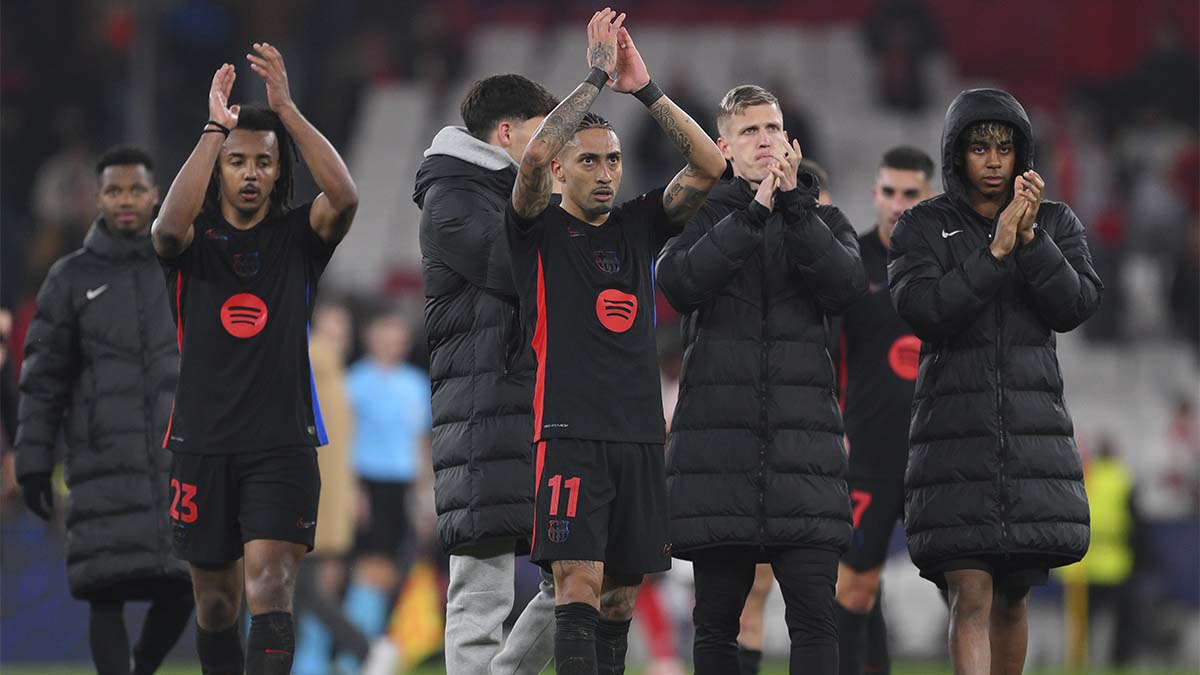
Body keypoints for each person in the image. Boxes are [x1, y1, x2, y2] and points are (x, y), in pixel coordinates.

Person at [506, 10, 726, 673]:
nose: (605, 172)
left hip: (639, 436)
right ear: (560, 172)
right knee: (576, 584)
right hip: (570, 433)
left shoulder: (637, 226)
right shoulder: (537, 230)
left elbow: (711, 164)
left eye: (613, 159)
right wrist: (597, 78)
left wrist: (646, 90)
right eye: (589, 160)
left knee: (621, 598)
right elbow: (532, 156)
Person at [151, 43, 358, 675]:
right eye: (236, 161)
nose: (249, 173)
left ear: (277, 172)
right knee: (216, 604)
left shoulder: (299, 237)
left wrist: (287, 112)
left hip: (281, 444)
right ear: (219, 167)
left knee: (270, 585)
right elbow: (165, 229)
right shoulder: (194, 242)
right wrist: (214, 129)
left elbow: (344, 197)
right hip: (203, 441)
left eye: (262, 162)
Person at [887, 87, 1102, 675]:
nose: (992, 161)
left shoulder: (1055, 222)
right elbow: (925, 310)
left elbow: (1076, 306)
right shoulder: (922, 225)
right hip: (954, 438)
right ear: (957, 153)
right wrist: (996, 250)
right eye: (979, 147)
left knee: (1012, 597)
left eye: (1004, 148)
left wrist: (1030, 240)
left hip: (1030, 442)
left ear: (1021, 154)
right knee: (971, 591)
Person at [656, 84, 867, 674]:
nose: (765, 140)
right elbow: (678, 285)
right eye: (749, 130)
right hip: (719, 457)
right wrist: (753, 215)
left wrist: (793, 207)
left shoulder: (823, 218)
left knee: (815, 621)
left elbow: (848, 288)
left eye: (772, 127)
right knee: (717, 623)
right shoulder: (700, 214)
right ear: (724, 147)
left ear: (789, 139)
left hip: (804, 457)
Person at [14, 146, 194, 675]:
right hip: (99, 461)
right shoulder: (68, 279)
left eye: (136, 189)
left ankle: (142, 668)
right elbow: (42, 379)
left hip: (174, 459)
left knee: (185, 586)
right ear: (98, 199)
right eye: (114, 191)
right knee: (104, 591)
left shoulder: (181, 270)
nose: (125, 200)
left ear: (155, 195)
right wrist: (33, 461)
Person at [414, 72, 560, 675]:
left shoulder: (494, 193)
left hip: (536, 410)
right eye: (542, 133)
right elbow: (515, 268)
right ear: (506, 133)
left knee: (583, 574)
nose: (551, 148)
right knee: (481, 596)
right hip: (481, 416)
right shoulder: (451, 198)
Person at [833, 146, 936, 675]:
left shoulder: (947, 264)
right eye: (889, 192)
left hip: (939, 457)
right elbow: (825, 353)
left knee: (968, 588)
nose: (898, 204)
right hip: (868, 457)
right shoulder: (849, 263)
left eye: (910, 194)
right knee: (854, 586)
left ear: (929, 196)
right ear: (875, 193)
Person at [734, 157, 836, 675]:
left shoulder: (834, 273)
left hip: (817, 444)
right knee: (752, 589)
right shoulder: (767, 261)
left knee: (832, 592)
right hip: (765, 440)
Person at [340, 310, 431, 670]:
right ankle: (357, 654)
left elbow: (421, 443)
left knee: (391, 570)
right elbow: (343, 440)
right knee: (368, 567)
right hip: (368, 481)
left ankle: (367, 647)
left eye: (399, 339)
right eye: (387, 336)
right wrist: (350, 489)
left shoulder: (416, 383)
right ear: (370, 338)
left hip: (402, 485)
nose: (394, 344)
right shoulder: (355, 381)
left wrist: (424, 495)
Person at [293, 301, 371, 675]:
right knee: (301, 585)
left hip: (319, 495)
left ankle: (360, 648)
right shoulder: (318, 364)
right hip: (314, 495)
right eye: (332, 326)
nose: (340, 335)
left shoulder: (334, 372)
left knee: (299, 585)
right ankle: (362, 648)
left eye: (343, 327)